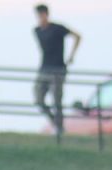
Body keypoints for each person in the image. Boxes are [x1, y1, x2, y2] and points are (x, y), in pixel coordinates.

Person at [33, 4, 81, 133]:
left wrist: (71, 56)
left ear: (46, 14)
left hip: (58, 69)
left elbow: (77, 36)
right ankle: (56, 122)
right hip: (44, 68)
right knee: (38, 99)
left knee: (56, 100)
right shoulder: (37, 31)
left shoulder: (58, 29)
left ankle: (59, 128)